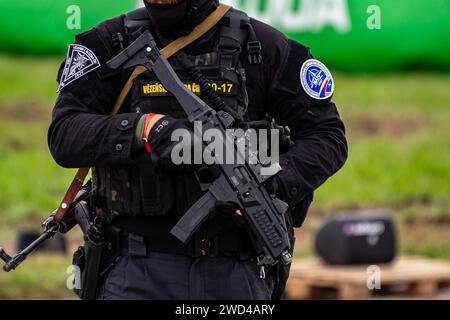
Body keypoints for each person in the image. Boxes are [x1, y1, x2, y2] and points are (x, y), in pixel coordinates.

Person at [48, 0, 348, 300]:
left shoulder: (263, 47)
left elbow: (327, 136)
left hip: (236, 268)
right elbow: (65, 135)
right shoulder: (108, 43)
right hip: (134, 266)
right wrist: (144, 129)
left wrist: (271, 180)